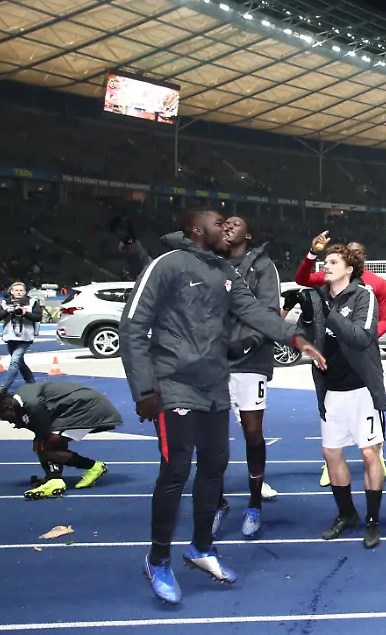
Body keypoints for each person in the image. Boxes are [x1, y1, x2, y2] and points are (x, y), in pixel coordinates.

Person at [120, 210, 323, 605]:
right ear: (198, 230)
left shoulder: (225, 271)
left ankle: (202, 548)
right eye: (219, 224)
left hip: (214, 384)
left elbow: (257, 312)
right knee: (176, 469)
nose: (226, 228)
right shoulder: (168, 264)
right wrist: (143, 389)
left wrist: (296, 338)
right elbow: (133, 325)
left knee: (215, 466)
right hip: (173, 384)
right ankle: (158, 560)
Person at [122, 216, 282, 539]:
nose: (229, 227)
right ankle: (215, 505)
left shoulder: (263, 266)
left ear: (248, 234)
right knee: (205, 446)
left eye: (236, 224)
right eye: (224, 223)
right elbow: (160, 277)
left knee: (251, 432)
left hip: (249, 360)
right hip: (208, 364)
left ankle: (254, 503)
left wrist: (247, 343)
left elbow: (264, 312)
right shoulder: (204, 259)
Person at [297, 244, 386, 548]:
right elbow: (303, 334)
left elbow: (361, 337)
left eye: (333, 262)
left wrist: (328, 313)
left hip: (362, 389)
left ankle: (372, 520)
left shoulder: (364, 296)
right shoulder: (317, 296)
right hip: (330, 390)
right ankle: (347, 514)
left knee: (369, 454)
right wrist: (304, 337)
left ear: (349, 269)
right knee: (331, 454)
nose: (326, 265)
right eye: (325, 262)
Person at [0, 381, 122, 499]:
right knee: (44, 444)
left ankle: (93, 467)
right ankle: (53, 479)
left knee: (47, 443)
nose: (9, 422)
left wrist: (41, 436)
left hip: (86, 407)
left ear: (9, 409)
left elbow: (37, 411)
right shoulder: (22, 404)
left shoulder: (28, 401)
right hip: (77, 407)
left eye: (5, 418)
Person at [0, 281, 43, 396]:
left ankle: (4, 387)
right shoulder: (5, 303)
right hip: (10, 336)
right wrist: (7, 311)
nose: (19, 292)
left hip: (26, 336)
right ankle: (31, 381)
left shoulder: (32, 302)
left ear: (25, 292)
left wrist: (25, 313)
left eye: (21, 290)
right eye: (16, 290)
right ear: (11, 292)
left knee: (15, 361)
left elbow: (38, 317)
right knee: (19, 362)